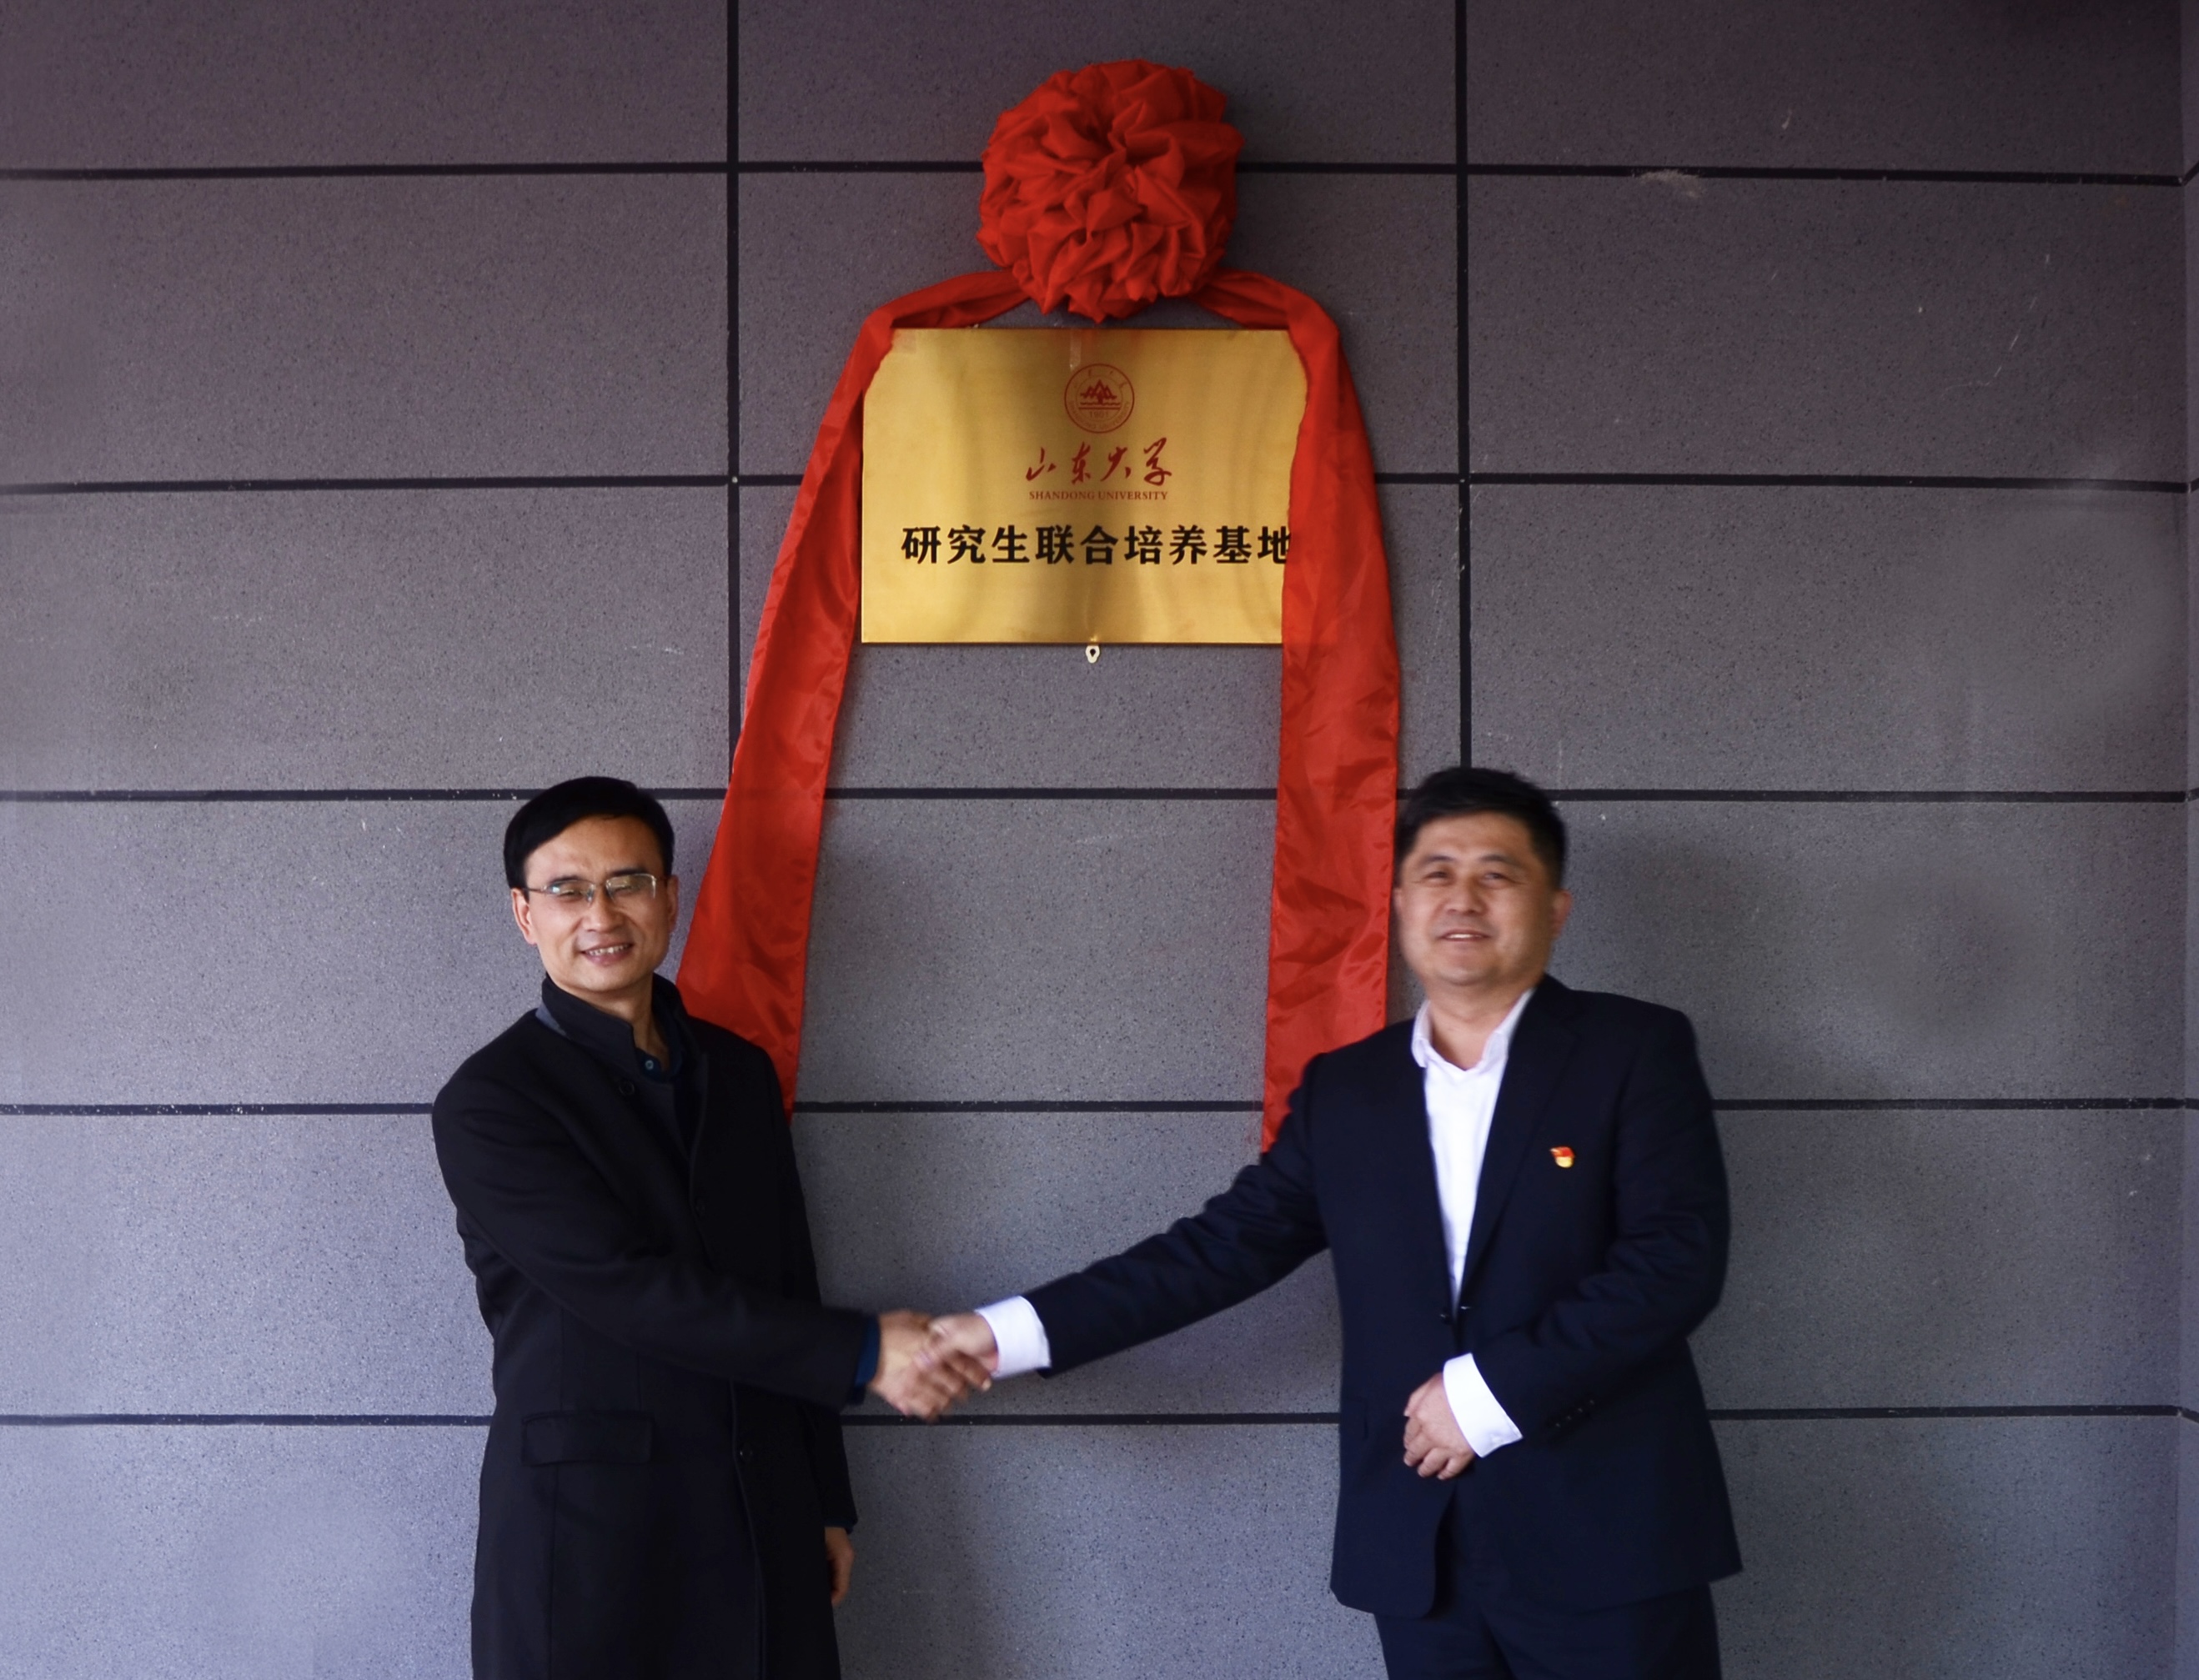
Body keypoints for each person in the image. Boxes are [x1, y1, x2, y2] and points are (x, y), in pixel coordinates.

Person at [927, 767, 1740, 1678]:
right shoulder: (1349, 1089)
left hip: (1607, 1534)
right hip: (1420, 1548)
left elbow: (1676, 1258)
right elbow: (1217, 1250)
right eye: (1435, 873)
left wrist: (1486, 1393)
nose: (1462, 898)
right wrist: (1002, 1334)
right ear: (1398, 904)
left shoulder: (1634, 1049)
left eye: (1497, 873)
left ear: (1555, 908)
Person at [432, 777, 987, 1680]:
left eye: (629, 881)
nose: (601, 913)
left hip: (760, 1508)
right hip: (594, 1537)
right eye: (568, 889)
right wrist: (862, 1351)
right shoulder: (491, 1100)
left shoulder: (738, 1071)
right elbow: (625, 1287)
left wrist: (824, 1498)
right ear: (525, 914)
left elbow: (788, 1272)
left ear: (671, 896)